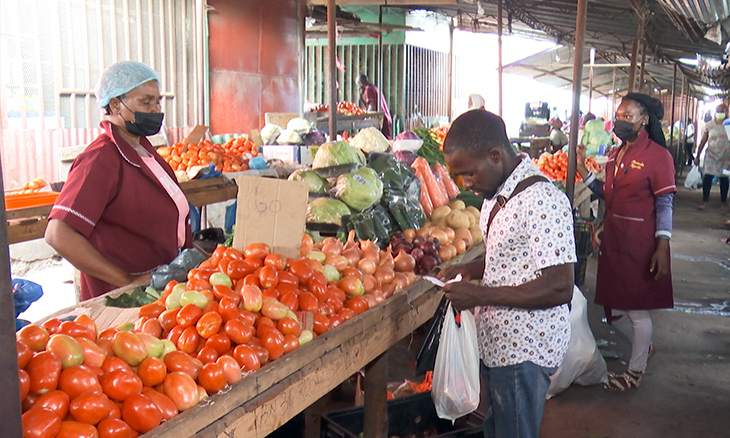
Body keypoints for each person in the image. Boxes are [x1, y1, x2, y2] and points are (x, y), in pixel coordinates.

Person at [438, 109, 574, 438]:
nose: (465, 184)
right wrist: (470, 269)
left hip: (524, 349)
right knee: (498, 427)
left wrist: (480, 295)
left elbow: (560, 288)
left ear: (495, 155)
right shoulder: (498, 194)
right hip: (499, 341)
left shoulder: (542, 200)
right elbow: (506, 253)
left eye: (469, 174)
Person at [45, 61, 193, 301]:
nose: (155, 109)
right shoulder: (101, 158)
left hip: (162, 288)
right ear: (115, 105)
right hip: (124, 299)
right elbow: (58, 233)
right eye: (146, 102)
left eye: (157, 101)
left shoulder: (146, 153)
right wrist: (127, 281)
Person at [576, 92, 675, 393]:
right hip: (615, 239)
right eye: (618, 116)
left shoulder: (658, 157)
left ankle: (635, 371)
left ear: (644, 120)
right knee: (611, 306)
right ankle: (643, 348)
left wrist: (662, 245)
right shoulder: (619, 154)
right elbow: (609, 193)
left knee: (636, 308)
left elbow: (665, 204)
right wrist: (582, 168)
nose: (621, 121)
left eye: (627, 116)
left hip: (641, 242)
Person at [694, 104, 730, 210]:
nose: (720, 112)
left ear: (726, 112)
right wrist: (698, 155)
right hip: (711, 155)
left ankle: (723, 202)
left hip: (725, 156)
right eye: (718, 111)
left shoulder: (728, 125)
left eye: (723, 111)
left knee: (724, 179)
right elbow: (703, 140)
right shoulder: (709, 125)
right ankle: (705, 201)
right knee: (708, 177)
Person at [356, 74, 392, 139]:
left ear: (361, 84)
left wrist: (365, 119)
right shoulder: (374, 87)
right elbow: (371, 105)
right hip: (385, 118)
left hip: (382, 121)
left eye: (359, 85)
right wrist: (361, 99)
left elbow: (372, 107)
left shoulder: (368, 89)